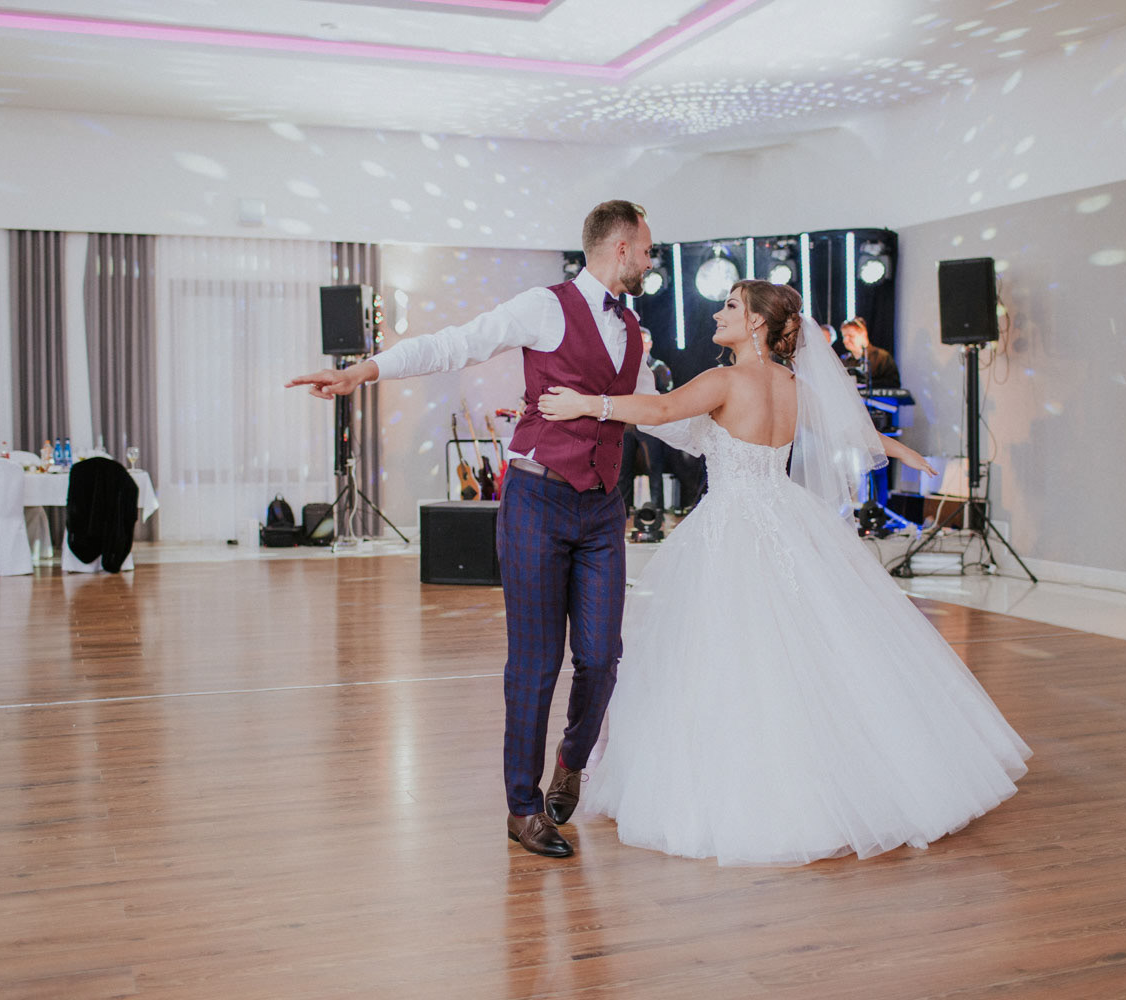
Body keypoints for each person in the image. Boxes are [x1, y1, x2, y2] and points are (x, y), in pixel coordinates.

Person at [537, 280, 1031, 866]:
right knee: (814, 645)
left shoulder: (726, 380)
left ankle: (756, 792)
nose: (717, 314)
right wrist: (898, 450)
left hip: (732, 525)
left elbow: (664, 410)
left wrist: (587, 404)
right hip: (787, 517)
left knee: (729, 651)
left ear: (755, 323)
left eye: (730, 306)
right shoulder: (793, 386)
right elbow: (849, 429)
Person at [287, 200, 691, 859]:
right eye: (647, 250)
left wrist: (742, 433)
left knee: (600, 657)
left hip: (601, 508)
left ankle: (572, 762)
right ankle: (522, 808)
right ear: (621, 249)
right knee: (536, 661)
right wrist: (361, 370)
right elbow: (454, 344)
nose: (651, 261)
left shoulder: (631, 328)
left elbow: (657, 410)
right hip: (537, 499)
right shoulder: (545, 307)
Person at [618, 328, 671, 514]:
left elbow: (666, 395)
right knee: (623, 468)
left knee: (653, 467)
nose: (640, 345)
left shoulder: (659, 367)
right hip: (626, 424)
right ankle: (623, 509)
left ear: (650, 344)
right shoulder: (624, 365)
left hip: (649, 424)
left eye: (643, 341)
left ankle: (656, 510)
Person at [840, 316, 901, 389]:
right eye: (844, 336)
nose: (845, 341)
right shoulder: (843, 360)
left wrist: (867, 384)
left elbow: (894, 383)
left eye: (851, 336)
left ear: (863, 334)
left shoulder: (882, 357)